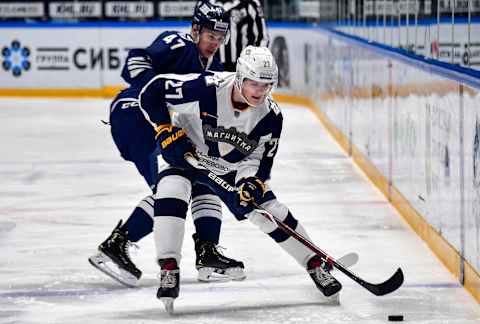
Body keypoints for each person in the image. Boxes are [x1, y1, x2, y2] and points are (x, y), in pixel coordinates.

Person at [136, 46, 342, 311]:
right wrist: (164, 127)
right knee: (170, 190)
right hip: (184, 153)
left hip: (228, 168)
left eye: (266, 85)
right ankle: (168, 267)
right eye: (254, 83)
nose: (259, 91)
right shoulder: (206, 88)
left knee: (269, 211)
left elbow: (261, 159)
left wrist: (251, 182)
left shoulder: (270, 116)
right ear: (240, 77)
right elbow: (151, 91)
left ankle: (315, 264)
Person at [88, 0, 245, 287]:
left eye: (221, 38)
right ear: (195, 29)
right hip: (135, 115)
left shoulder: (216, 68)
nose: (215, 43)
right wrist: (157, 98)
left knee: (199, 180)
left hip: (162, 128)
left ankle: (207, 251)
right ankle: (115, 245)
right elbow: (135, 60)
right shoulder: (178, 43)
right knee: (172, 188)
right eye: (211, 36)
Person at [211, 0, 269, 71]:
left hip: (242, 68)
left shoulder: (250, 3)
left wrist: (254, 64)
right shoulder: (206, 3)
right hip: (211, 68)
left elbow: (263, 37)